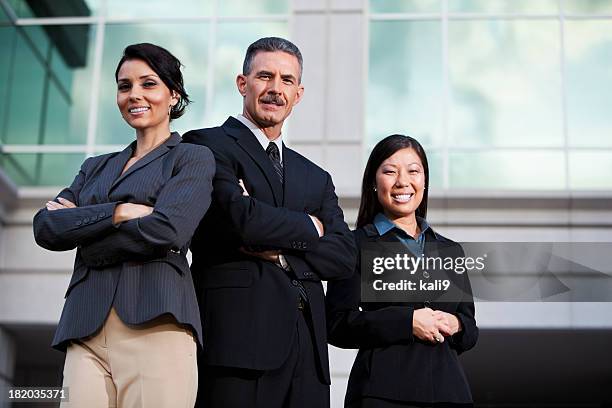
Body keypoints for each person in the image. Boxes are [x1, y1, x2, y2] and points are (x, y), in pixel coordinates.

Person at [33, 43, 214, 408]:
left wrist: (84, 233)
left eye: (148, 84)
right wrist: (117, 213)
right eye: (124, 85)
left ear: (172, 94)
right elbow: (46, 227)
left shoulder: (190, 157)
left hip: (156, 320)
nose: (134, 95)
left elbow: (168, 230)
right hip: (85, 326)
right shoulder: (95, 167)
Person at [182, 37, 357, 408]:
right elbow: (241, 221)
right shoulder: (205, 145)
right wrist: (312, 226)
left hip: (308, 354)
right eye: (265, 76)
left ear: (299, 93)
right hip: (237, 346)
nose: (276, 89)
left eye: (287, 80)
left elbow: (343, 255)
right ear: (242, 84)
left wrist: (278, 252)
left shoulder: (316, 176)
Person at [326, 135, 478, 408]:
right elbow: (337, 325)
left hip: (450, 393)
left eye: (413, 171)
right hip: (382, 393)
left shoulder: (450, 251)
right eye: (390, 171)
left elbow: (470, 330)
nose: (402, 182)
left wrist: (457, 324)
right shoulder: (355, 244)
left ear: (424, 181)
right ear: (374, 182)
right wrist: (407, 322)